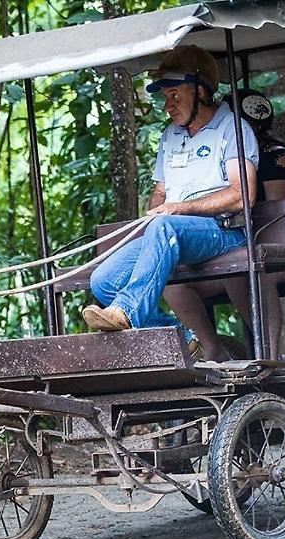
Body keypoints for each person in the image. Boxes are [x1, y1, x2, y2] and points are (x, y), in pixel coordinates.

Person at [83, 46, 259, 350]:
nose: (168, 105)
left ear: (201, 91)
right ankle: (181, 336)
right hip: (172, 233)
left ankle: (126, 310)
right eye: (166, 97)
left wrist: (179, 210)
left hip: (224, 230)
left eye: (175, 95)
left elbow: (243, 195)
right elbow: (160, 193)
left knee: (166, 228)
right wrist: (157, 212)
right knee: (102, 281)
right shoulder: (170, 135)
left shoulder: (234, 129)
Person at [163, 88, 285, 359]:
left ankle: (270, 355)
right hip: (216, 238)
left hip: (259, 240)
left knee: (239, 268)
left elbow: (274, 210)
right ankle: (211, 350)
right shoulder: (213, 148)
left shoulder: (272, 153)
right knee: (174, 281)